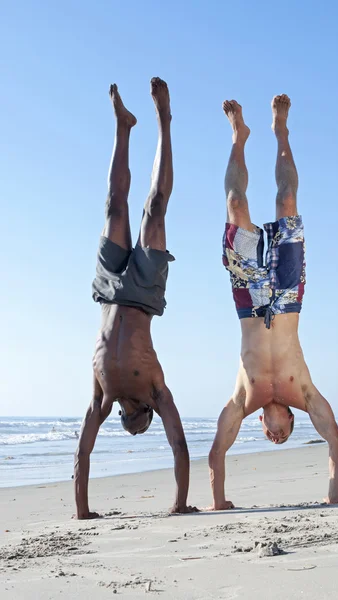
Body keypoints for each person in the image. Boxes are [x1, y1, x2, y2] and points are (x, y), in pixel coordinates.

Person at [208, 94, 338, 510]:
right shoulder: (304, 393)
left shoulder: (243, 397)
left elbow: (217, 450)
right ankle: (281, 130)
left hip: (249, 302)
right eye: (283, 436)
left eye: (269, 437)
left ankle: (238, 137)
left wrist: (218, 502)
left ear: (260, 422)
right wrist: (334, 494)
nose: (275, 437)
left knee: (236, 205)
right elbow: (336, 439)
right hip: (288, 296)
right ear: (291, 419)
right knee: (286, 200)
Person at [74, 78, 196, 519]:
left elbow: (84, 450)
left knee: (113, 205)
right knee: (154, 207)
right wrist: (180, 504)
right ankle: (164, 121)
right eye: (138, 425)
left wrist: (82, 510)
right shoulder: (156, 391)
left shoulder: (102, 397)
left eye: (130, 426)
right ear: (144, 413)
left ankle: (124, 127)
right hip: (144, 293)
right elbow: (179, 444)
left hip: (108, 292)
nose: (132, 425)